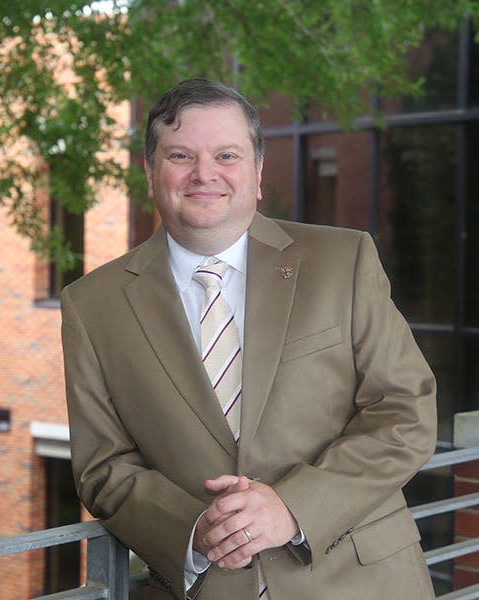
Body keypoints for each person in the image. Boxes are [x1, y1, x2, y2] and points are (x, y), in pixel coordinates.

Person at [61, 78, 437, 600]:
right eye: (180, 155)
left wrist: (293, 508)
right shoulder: (91, 305)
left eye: (226, 155)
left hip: (362, 581)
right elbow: (103, 467)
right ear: (150, 173)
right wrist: (194, 533)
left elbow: (406, 412)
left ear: (258, 172)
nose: (204, 174)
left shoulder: (342, 261)